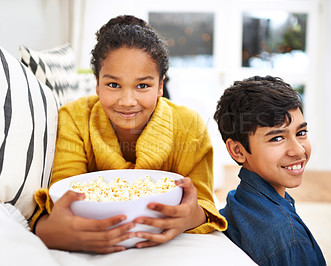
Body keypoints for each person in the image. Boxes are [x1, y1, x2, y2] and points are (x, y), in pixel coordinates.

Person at [30, 15, 227, 254]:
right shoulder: (74, 117)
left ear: (160, 86)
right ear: (97, 84)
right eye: (113, 85)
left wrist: (188, 217)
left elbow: (204, 204)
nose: (127, 101)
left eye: (142, 85)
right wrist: (50, 230)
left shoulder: (189, 125)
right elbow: (61, 195)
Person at [214, 76, 326, 265]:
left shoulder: (236, 202)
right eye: (277, 138)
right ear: (238, 151)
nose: (298, 150)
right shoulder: (289, 238)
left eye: (301, 133)